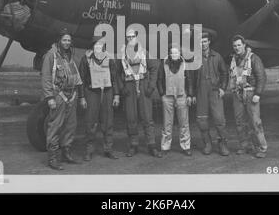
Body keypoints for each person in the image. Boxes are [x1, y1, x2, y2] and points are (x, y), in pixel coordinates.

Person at [41, 28, 87, 170]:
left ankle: (66, 153)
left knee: (70, 126)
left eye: (69, 40)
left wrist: (81, 96)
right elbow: (46, 78)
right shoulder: (51, 56)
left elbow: (77, 78)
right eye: (64, 40)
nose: (67, 42)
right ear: (59, 41)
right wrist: (50, 97)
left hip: (71, 96)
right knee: (55, 126)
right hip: (58, 95)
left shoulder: (69, 56)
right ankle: (53, 158)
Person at [119, 29, 162, 158]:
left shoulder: (144, 52)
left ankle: (152, 145)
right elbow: (116, 73)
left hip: (143, 86)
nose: (130, 39)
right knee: (131, 117)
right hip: (129, 86)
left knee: (147, 117)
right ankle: (133, 144)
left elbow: (155, 67)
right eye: (128, 37)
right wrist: (122, 88)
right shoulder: (122, 53)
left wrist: (151, 86)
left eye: (133, 36)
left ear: (137, 37)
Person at [78, 36, 121, 161]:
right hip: (92, 92)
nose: (98, 47)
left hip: (107, 92)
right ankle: (89, 150)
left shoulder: (109, 59)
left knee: (108, 122)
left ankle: (108, 149)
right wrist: (82, 97)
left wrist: (116, 95)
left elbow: (115, 78)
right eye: (96, 45)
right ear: (92, 46)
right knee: (90, 122)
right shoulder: (85, 59)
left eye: (100, 45)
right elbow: (81, 79)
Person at [229, 35, 267, 158]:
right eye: (234, 46)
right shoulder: (234, 59)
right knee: (240, 121)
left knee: (255, 122)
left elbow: (261, 76)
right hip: (237, 93)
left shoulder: (254, 58)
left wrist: (258, 93)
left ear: (244, 45)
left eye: (239, 45)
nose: (237, 47)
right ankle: (244, 145)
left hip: (251, 93)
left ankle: (261, 147)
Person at [194, 30, 230, 156]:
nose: (203, 44)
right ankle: (208, 144)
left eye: (205, 41)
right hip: (201, 91)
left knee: (219, 120)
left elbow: (225, 73)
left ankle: (222, 144)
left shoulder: (217, 56)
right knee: (202, 120)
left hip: (214, 90)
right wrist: (192, 93)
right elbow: (190, 76)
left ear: (209, 42)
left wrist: (223, 88)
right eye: (200, 42)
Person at [157, 45, 194, 156]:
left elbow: (190, 80)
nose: (174, 55)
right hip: (167, 97)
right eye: (172, 53)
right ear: (169, 54)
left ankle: (186, 146)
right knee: (167, 124)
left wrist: (190, 94)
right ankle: (165, 147)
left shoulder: (184, 64)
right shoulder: (163, 63)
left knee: (184, 123)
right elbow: (159, 80)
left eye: (176, 53)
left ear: (180, 54)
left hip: (182, 96)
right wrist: (162, 94)